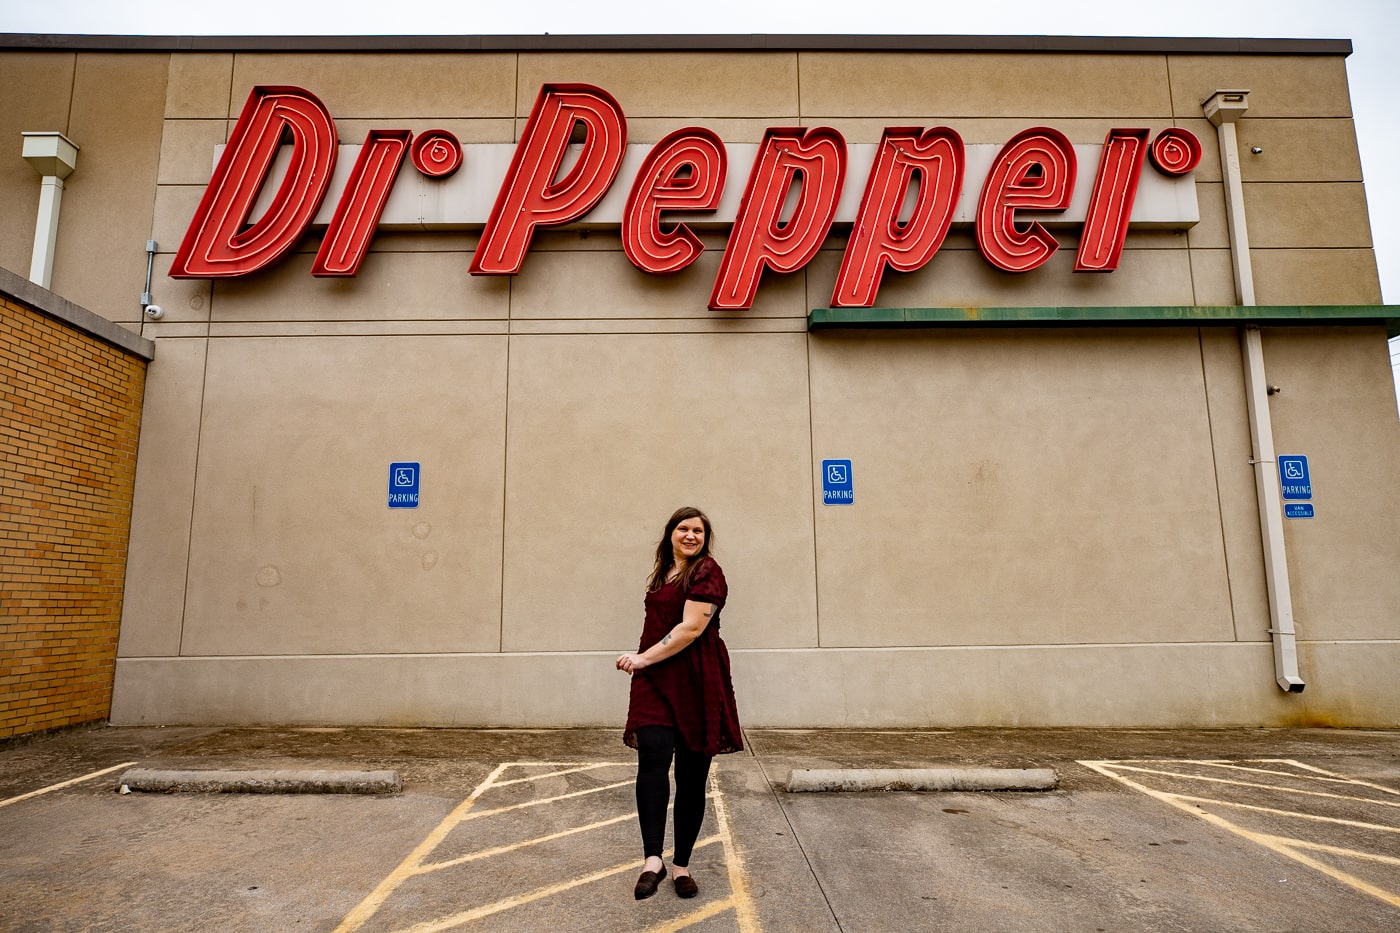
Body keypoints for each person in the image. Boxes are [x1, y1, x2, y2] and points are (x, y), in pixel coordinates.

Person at [616, 506, 743, 901]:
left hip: (695, 680)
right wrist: (645, 663)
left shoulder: (708, 572)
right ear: (670, 533)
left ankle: (681, 865)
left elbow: (690, 629)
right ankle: (651, 860)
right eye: (683, 529)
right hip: (656, 680)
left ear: (705, 539)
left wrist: (640, 659)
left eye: (698, 532)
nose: (690, 536)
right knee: (652, 760)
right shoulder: (663, 572)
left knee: (691, 775)